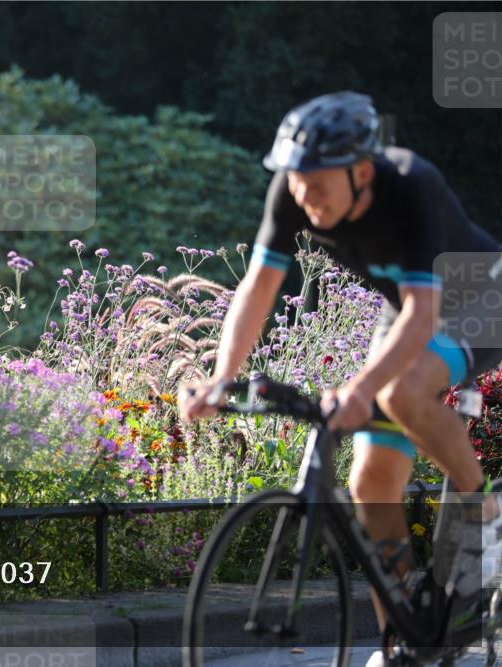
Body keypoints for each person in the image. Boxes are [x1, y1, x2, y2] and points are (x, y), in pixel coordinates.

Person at [177, 91, 502, 664]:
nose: (306, 196)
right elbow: (256, 288)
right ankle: (405, 639)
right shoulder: (295, 190)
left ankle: (484, 516)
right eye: (296, 182)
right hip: (405, 307)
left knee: (398, 391)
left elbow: (423, 317)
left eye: (319, 183)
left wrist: (356, 392)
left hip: (481, 297)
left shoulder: (411, 185)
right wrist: (221, 377)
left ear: (361, 170)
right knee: (369, 486)